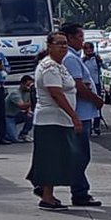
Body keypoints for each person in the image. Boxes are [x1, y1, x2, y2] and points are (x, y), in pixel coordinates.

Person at [27, 32, 83, 210]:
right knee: (52, 160)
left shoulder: (59, 65)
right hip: (51, 120)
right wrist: (74, 116)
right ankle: (47, 196)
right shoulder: (49, 67)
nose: (63, 46)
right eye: (59, 43)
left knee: (58, 158)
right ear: (49, 46)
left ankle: (44, 189)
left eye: (65, 43)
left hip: (59, 121)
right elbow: (56, 94)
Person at [60, 23, 103, 207]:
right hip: (79, 113)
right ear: (69, 38)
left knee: (77, 154)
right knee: (80, 155)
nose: (82, 41)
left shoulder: (74, 57)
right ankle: (79, 192)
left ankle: (78, 189)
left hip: (83, 112)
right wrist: (95, 99)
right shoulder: (70, 58)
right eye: (80, 37)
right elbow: (77, 86)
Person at [82, 41, 104, 135]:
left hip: (96, 83)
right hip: (86, 84)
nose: (88, 50)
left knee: (97, 104)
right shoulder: (82, 60)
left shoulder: (96, 59)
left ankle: (96, 125)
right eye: (86, 48)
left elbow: (103, 68)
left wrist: (100, 61)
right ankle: (89, 125)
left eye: (90, 48)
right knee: (87, 104)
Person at [4, 74, 35, 142]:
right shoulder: (15, 93)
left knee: (31, 116)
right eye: (27, 85)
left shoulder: (28, 93)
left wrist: (29, 110)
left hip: (17, 114)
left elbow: (28, 107)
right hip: (8, 116)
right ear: (22, 84)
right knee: (13, 138)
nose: (29, 87)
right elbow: (22, 106)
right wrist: (33, 101)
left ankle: (24, 134)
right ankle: (5, 132)